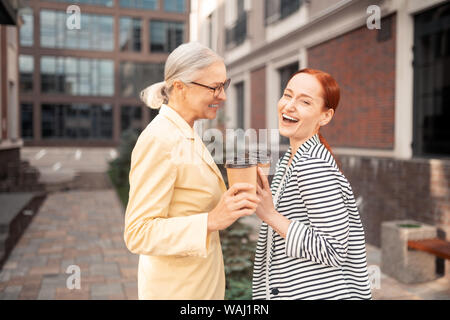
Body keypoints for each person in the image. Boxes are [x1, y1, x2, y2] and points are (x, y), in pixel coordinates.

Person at [124, 42, 259, 300]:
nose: (223, 96)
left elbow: (188, 202)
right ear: (179, 87)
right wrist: (209, 221)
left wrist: (235, 197)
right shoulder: (160, 139)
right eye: (214, 87)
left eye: (225, 85)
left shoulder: (186, 131)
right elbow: (137, 233)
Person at [252, 68, 372, 300]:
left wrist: (270, 215)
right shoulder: (292, 158)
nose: (289, 106)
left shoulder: (311, 165)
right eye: (287, 95)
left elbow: (334, 249)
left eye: (305, 102)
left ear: (325, 116)